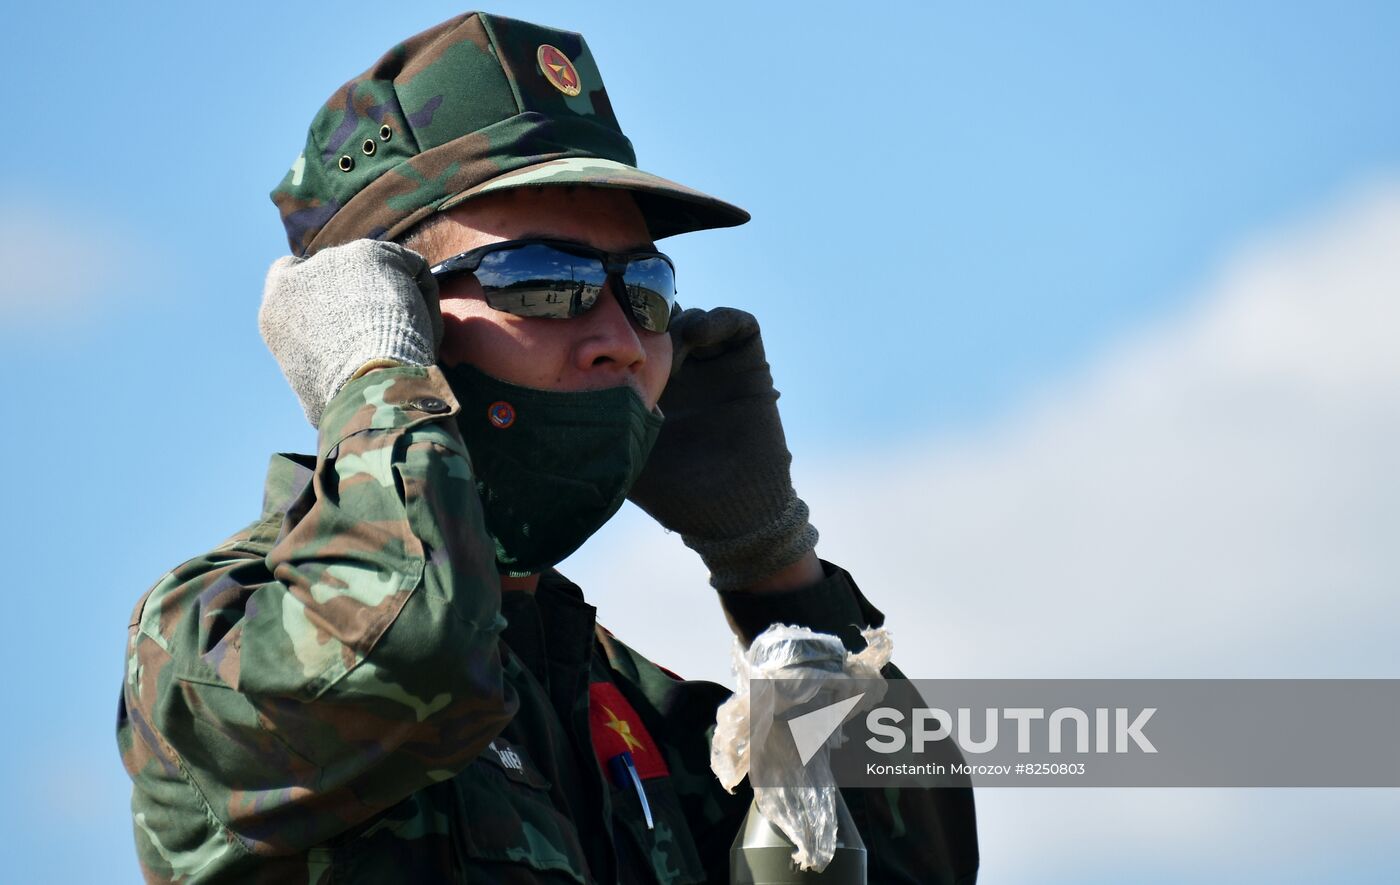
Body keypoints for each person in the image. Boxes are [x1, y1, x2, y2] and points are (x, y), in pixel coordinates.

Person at [115, 11, 979, 884]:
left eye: (644, 287)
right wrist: (375, 377)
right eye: (543, 281)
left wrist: (774, 571)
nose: (625, 340)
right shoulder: (213, 637)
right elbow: (408, 650)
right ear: (389, 313)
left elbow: (917, 865)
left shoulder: (632, 713)